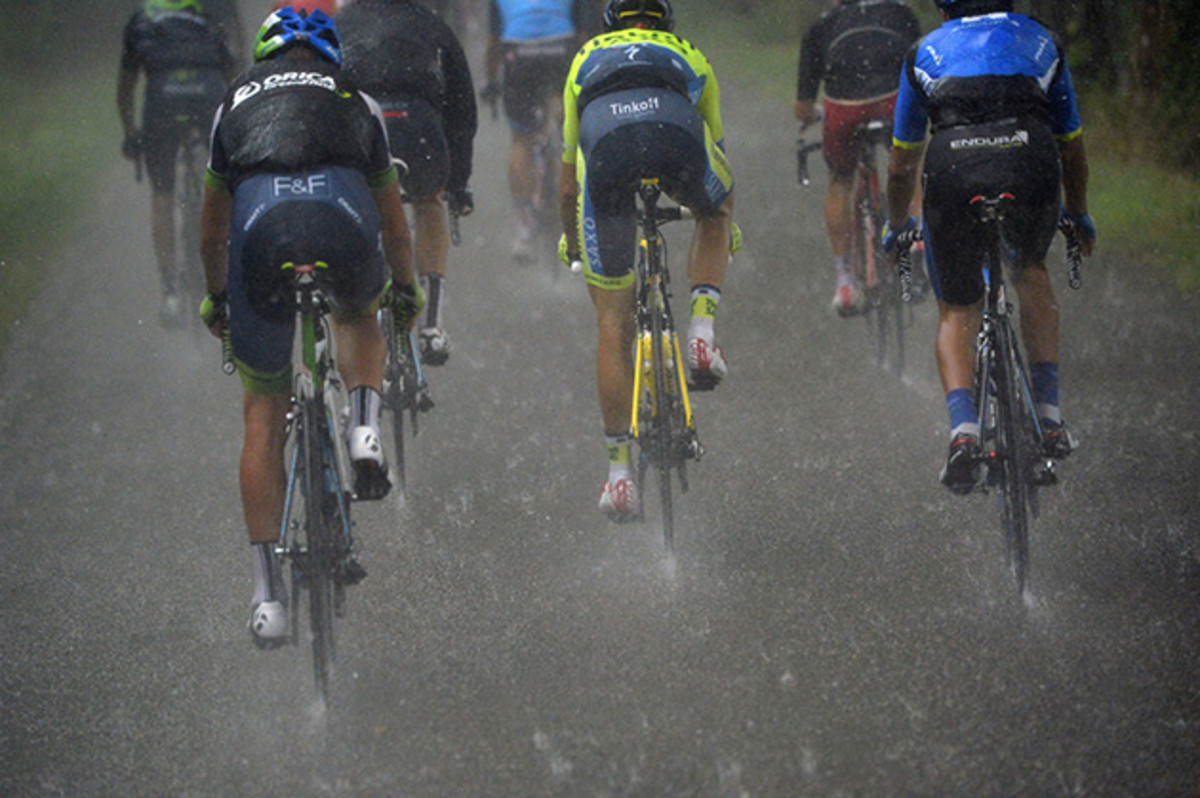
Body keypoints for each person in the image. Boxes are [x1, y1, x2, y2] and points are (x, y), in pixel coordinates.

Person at [198, 7, 424, 644]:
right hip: (341, 226)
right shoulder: (358, 100)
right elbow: (396, 224)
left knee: (263, 414)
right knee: (358, 313)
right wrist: (403, 292)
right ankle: (362, 430)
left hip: (260, 242)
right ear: (329, 58)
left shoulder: (232, 102)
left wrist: (218, 299)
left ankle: (267, 596)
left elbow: (213, 230)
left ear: (267, 56)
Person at [882, 0, 1096, 493]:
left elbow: (899, 166)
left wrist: (898, 227)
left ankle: (964, 432)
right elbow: (1072, 147)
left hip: (954, 168)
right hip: (1030, 160)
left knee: (958, 308)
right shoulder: (1042, 42)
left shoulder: (924, 51)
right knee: (1030, 272)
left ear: (944, 8)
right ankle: (1049, 417)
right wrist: (1078, 213)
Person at [558, 0, 736, 521]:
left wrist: (572, 241)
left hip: (609, 154)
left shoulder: (584, 58)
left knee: (611, 322)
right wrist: (723, 219)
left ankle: (618, 476)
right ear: (664, 21)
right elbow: (717, 147)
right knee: (718, 207)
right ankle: (701, 334)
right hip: (675, 140)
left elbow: (569, 178)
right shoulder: (691, 54)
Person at [339, 0, 478, 365]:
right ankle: (432, 325)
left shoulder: (341, 24)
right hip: (419, 131)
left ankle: (363, 316)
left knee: (360, 208)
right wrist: (458, 183)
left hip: (363, 130)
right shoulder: (432, 24)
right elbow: (462, 111)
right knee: (430, 201)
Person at [794, 0, 921, 316]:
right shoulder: (901, 13)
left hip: (843, 109)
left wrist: (819, 114)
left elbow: (802, 109)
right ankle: (918, 240)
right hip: (893, 101)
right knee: (908, 163)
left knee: (840, 180)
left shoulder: (822, 27)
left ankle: (845, 281)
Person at [118, 0, 236, 324]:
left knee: (163, 195)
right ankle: (230, 277)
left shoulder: (143, 18)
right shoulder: (209, 13)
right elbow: (233, 74)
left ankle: (169, 291)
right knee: (225, 187)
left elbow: (126, 87)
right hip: (207, 101)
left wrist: (130, 134)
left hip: (161, 107)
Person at [484, 0, 598, 262]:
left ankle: (524, 226)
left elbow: (493, 42)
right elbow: (583, 36)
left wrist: (491, 82)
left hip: (518, 53)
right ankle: (580, 212)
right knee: (569, 129)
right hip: (562, 48)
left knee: (522, 140)